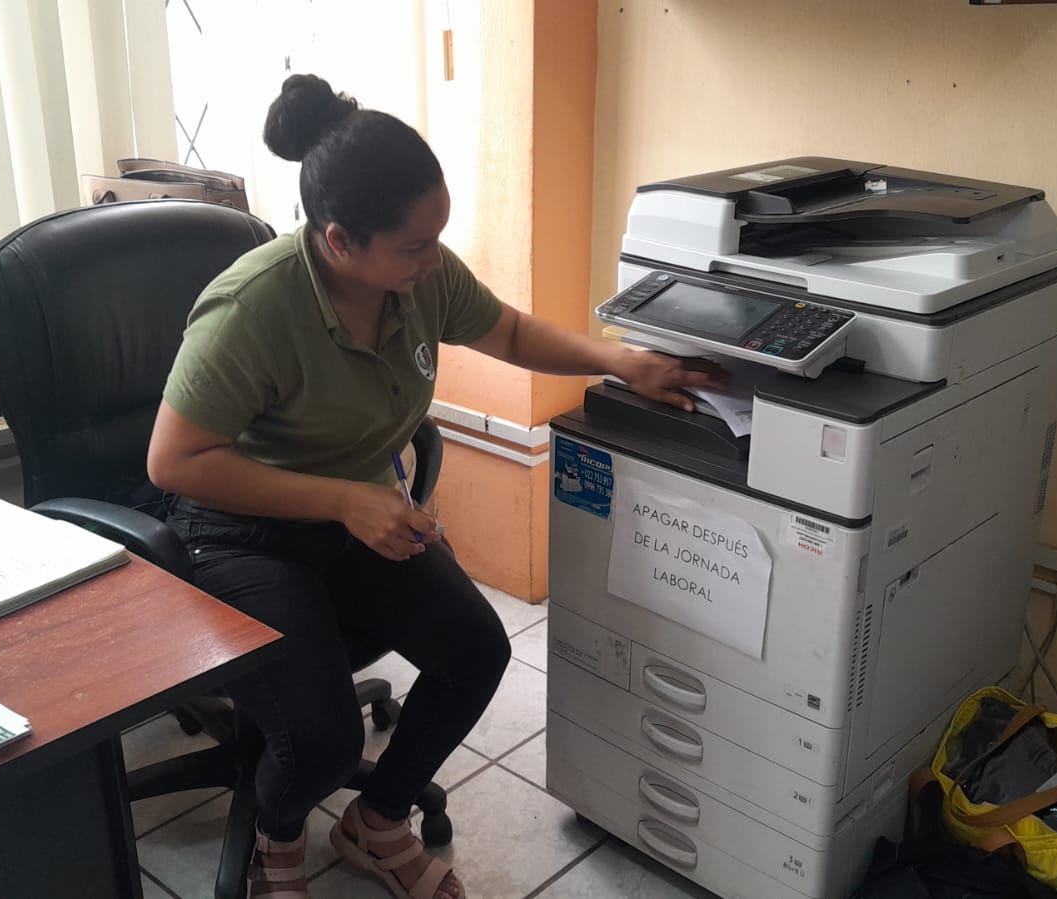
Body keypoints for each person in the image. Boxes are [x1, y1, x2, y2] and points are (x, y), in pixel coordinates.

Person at [147, 74, 723, 899]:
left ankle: (376, 822)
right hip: (241, 528)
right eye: (415, 247)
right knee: (320, 739)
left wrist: (619, 359)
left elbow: (508, 330)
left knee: (475, 651)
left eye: (436, 240)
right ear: (340, 241)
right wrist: (344, 499)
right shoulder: (252, 309)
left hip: (357, 512)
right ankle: (279, 831)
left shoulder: (418, 279)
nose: (433, 261)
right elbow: (173, 463)